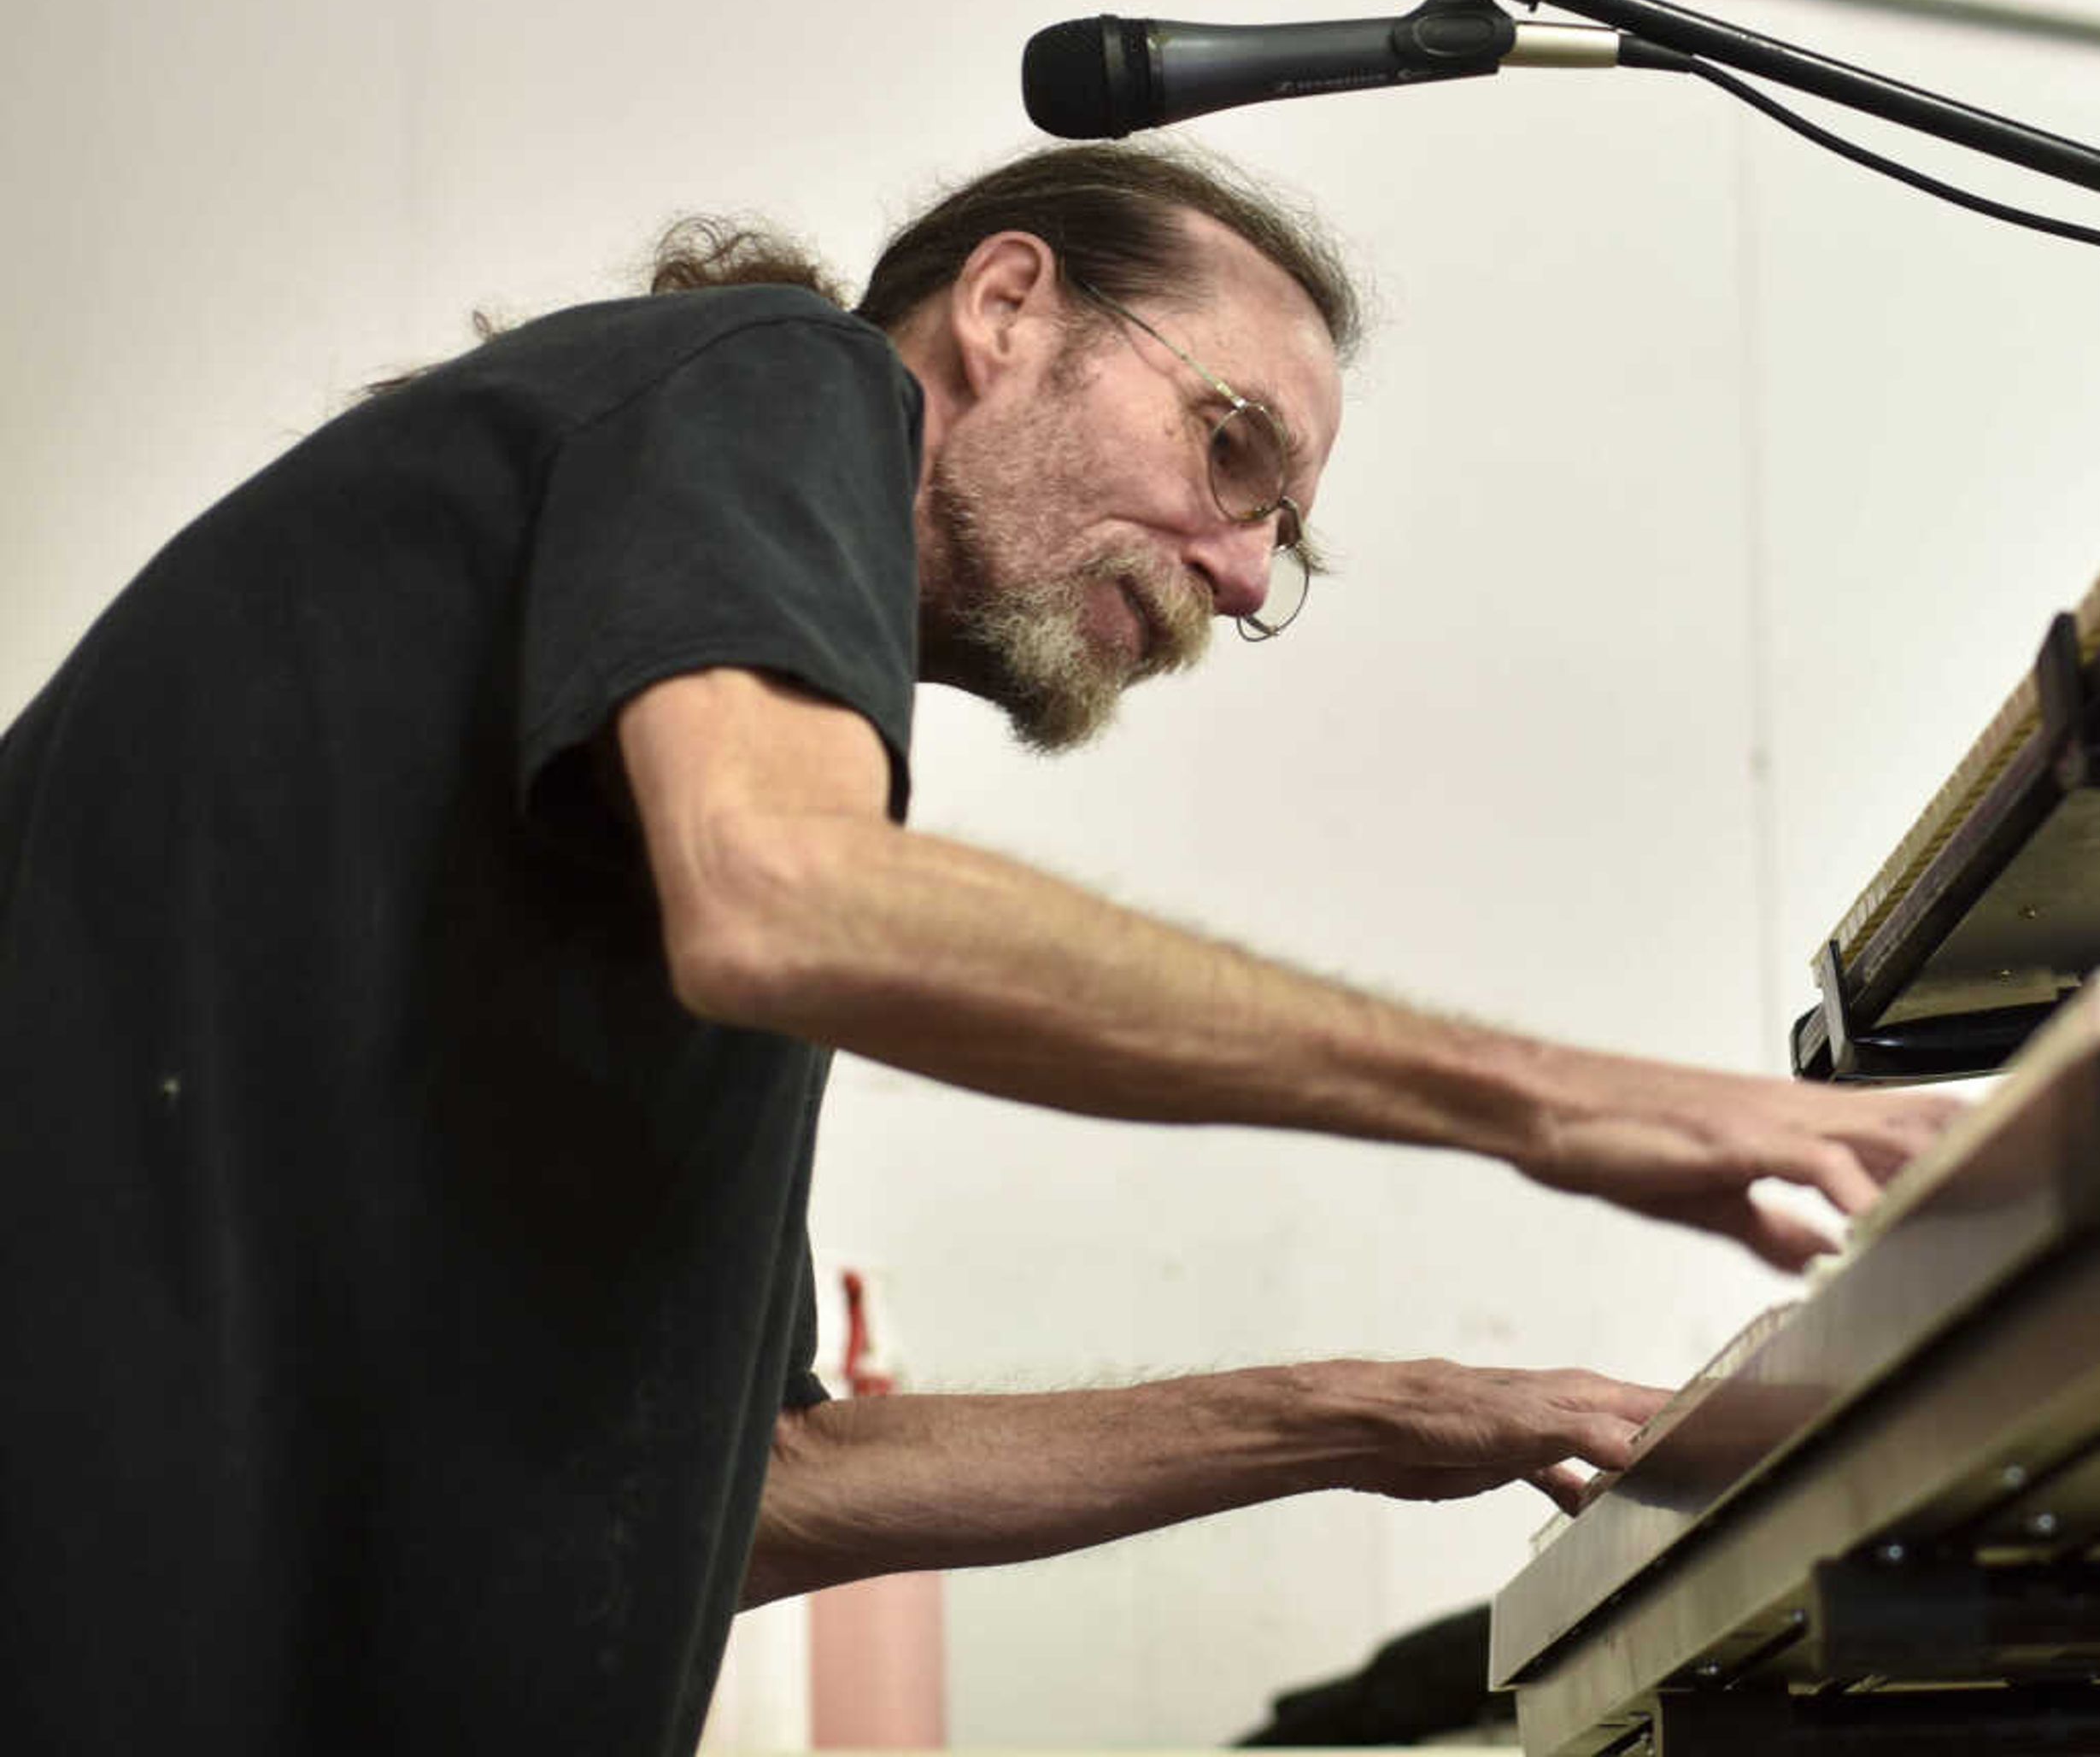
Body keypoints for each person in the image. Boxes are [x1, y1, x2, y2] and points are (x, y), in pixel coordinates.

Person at [0, 139, 1956, 1751]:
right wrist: (1562, 1099)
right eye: (1235, 449)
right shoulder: (784, 378)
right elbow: (792, 892)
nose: (1247, 568)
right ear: (1008, 305)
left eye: (1283, 542)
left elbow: (749, 1490)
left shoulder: (695, 754)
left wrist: (1394, 1412)